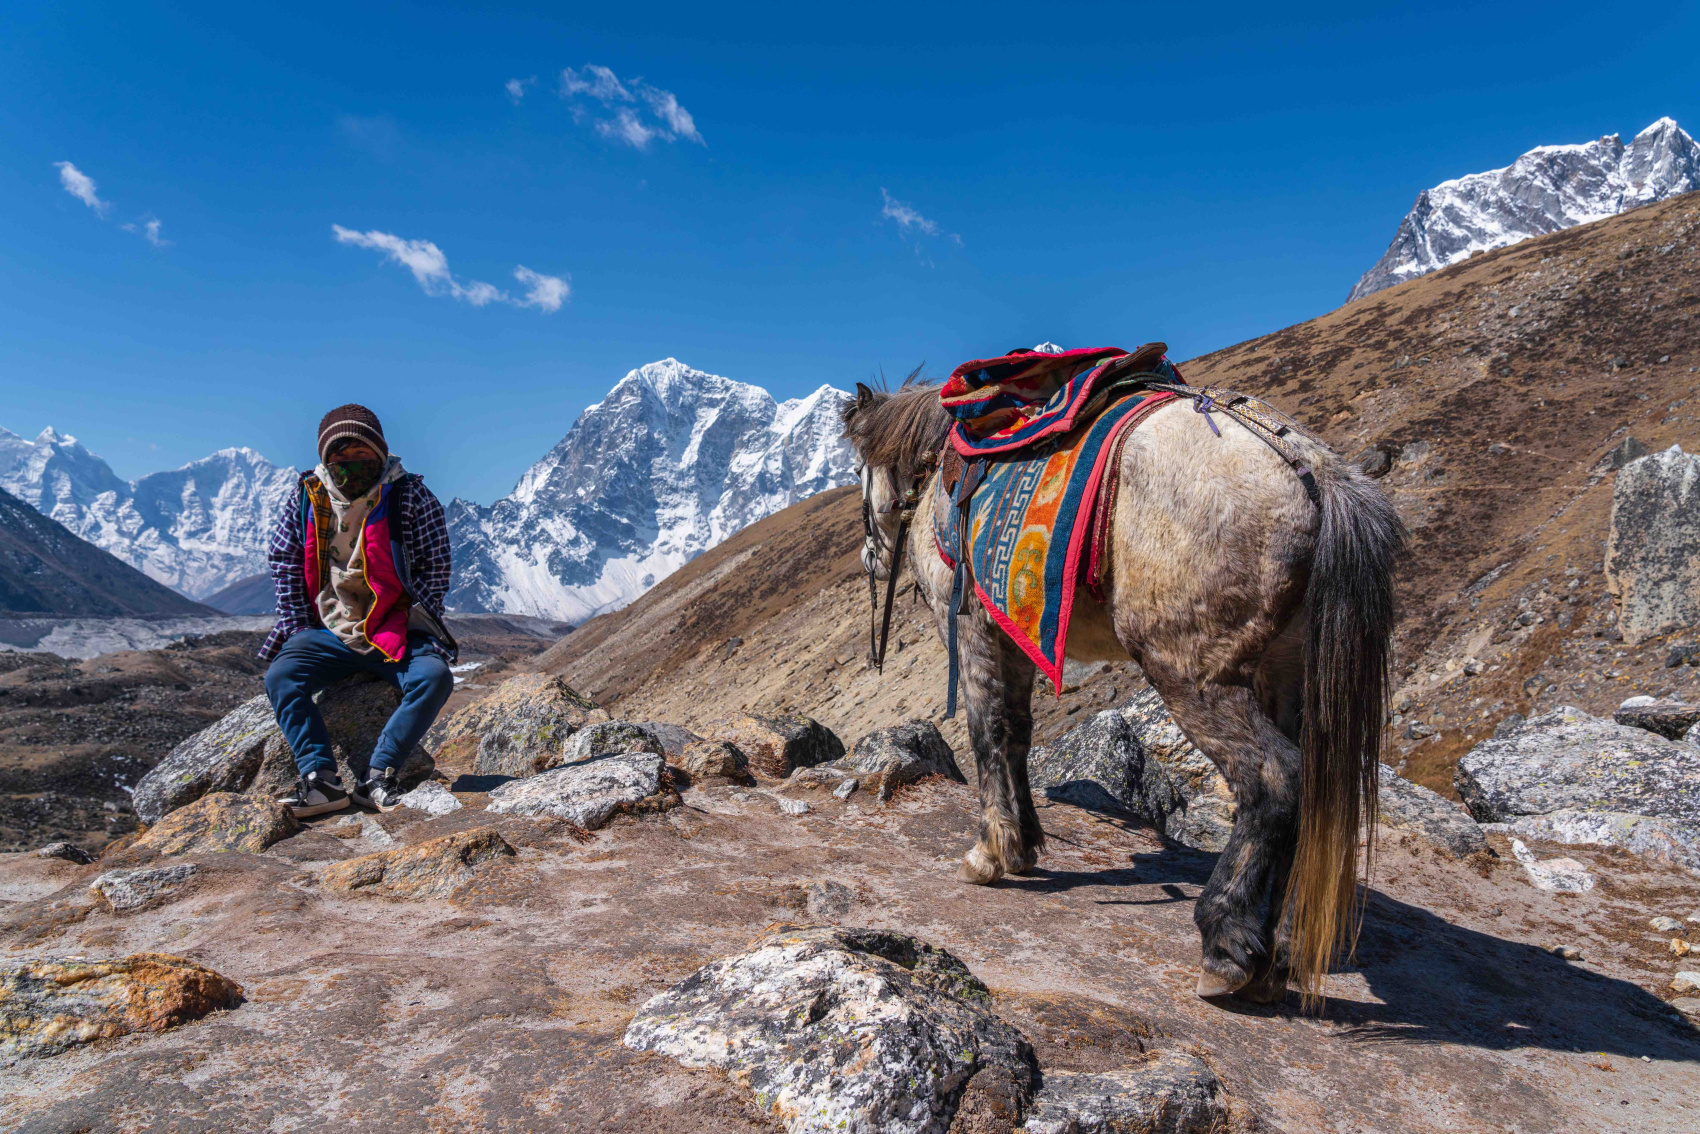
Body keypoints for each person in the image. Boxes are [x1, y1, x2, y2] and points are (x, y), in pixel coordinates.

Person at [258, 404, 458, 817]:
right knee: (283, 675)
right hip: (329, 626)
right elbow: (285, 558)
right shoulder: (309, 496)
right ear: (327, 459)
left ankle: (379, 775)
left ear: (380, 453)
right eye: (341, 460)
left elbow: (435, 564)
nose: (352, 468)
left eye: (363, 457)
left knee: (433, 677)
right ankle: (320, 780)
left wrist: (415, 618)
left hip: (394, 629)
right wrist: (297, 625)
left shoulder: (409, 496)